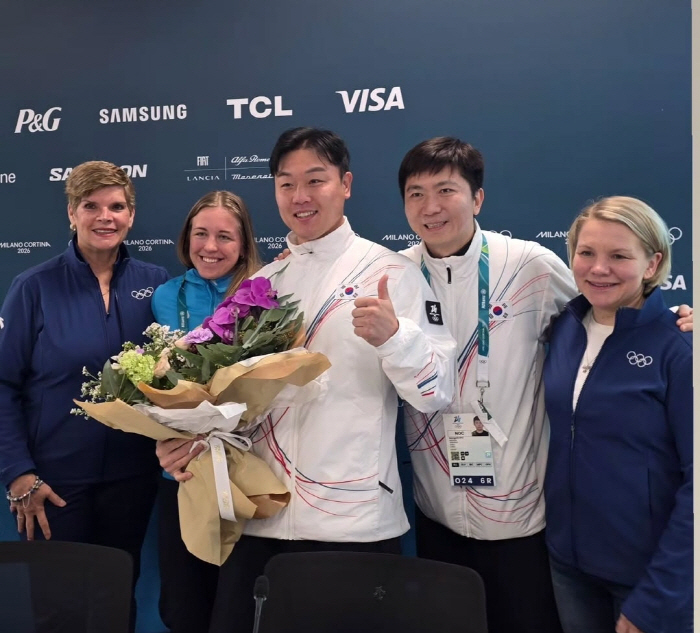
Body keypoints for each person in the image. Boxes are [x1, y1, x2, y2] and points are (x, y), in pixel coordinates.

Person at [158, 127, 457, 632]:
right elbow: (231, 401)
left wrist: (395, 338)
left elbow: (434, 394)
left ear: (346, 184)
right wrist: (190, 440)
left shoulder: (391, 274)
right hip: (259, 516)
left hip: (352, 525)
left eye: (315, 180)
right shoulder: (262, 284)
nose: (300, 196)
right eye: (286, 183)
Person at [395, 138, 693, 633]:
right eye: (416, 194)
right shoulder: (395, 273)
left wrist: (678, 321)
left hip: (524, 519)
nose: (431, 207)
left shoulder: (528, 264)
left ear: (477, 198)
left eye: (446, 190)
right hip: (436, 510)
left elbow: (607, 305)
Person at [0, 161, 169, 631]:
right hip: (54, 484)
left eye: (117, 206)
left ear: (131, 214)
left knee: (116, 601)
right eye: (91, 206)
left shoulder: (156, 282)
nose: (105, 217)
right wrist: (18, 474)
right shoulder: (33, 287)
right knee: (59, 609)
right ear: (72, 213)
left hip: (132, 478)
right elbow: (3, 384)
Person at [543, 197, 692, 633]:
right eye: (586, 252)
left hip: (646, 578)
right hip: (568, 565)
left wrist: (660, 596)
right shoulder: (565, 328)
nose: (598, 268)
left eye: (619, 256)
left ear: (652, 263)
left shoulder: (680, 348)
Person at [152, 190, 261, 633]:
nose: (210, 247)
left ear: (243, 243)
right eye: (201, 234)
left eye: (224, 236)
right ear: (186, 238)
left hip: (248, 475)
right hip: (182, 474)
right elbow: (153, 384)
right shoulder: (164, 296)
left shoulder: (263, 293)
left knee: (240, 610)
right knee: (184, 608)